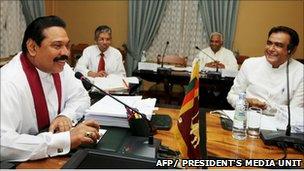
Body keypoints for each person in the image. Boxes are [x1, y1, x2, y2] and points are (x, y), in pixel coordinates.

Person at [0, 15, 101, 162]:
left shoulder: (61, 67)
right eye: (57, 46)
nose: (66, 53)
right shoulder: (8, 81)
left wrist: (65, 116)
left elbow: (80, 97)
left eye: (67, 45)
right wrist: (65, 140)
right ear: (32, 48)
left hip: (54, 155)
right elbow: (3, 143)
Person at [227, 26, 303, 131]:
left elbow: (295, 112)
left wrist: (268, 108)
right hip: (245, 124)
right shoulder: (250, 64)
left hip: (278, 130)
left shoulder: (301, 72)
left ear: (291, 50)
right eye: (269, 43)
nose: (271, 49)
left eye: (278, 45)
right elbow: (231, 96)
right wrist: (247, 102)